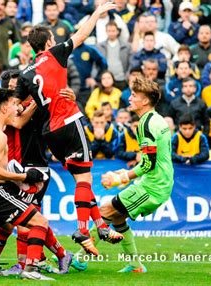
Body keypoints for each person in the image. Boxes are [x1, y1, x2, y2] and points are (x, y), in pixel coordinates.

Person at [16, 2, 124, 256]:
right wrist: (97, 13)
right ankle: (82, 229)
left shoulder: (25, 74)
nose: (55, 41)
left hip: (49, 132)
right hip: (68, 122)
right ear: (47, 42)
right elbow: (81, 35)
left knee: (79, 180)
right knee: (86, 179)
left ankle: (101, 226)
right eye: (52, 38)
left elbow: (16, 105)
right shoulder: (54, 55)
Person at [75, 75, 174, 273]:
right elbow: (153, 160)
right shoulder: (156, 119)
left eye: (134, 95)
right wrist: (125, 173)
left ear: (145, 101)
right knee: (118, 219)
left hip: (153, 187)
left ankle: (78, 259)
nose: (129, 98)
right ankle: (136, 265)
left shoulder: (145, 125)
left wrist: (121, 178)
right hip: (155, 182)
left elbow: (148, 164)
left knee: (103, 213)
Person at [0, 88, 59, 280]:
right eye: (13, 104)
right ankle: (31, 270)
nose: (16, 107)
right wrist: (25, 176)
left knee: (6, 226)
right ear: (4, 107)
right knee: (40, 222)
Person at [96, 21, 132, 90]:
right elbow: (97, 63)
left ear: (117, 31)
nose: (111, 33)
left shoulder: (126, 46)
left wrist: (127, 75)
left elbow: (130, 62)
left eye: (113, 31)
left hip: (121, 78)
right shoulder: (100, 47)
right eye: (109, 31)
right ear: (106, 32)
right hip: (106, 80)